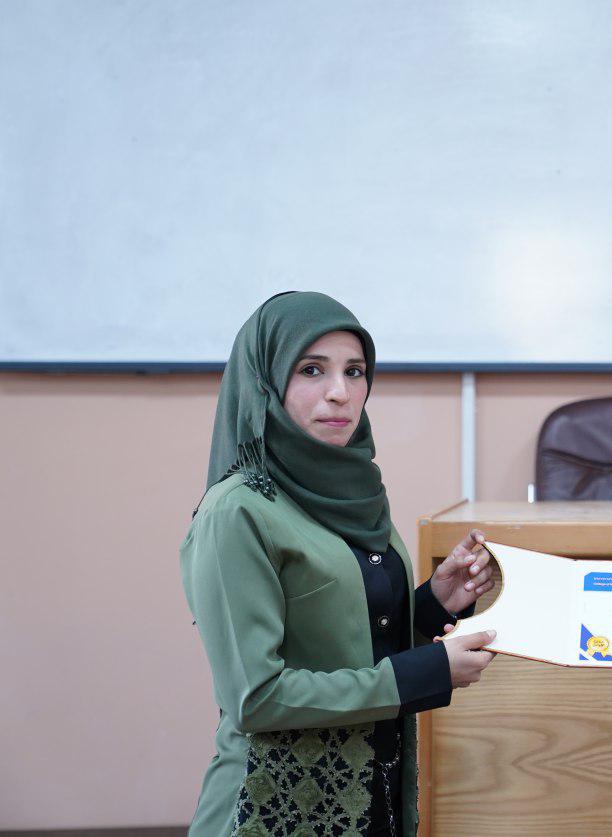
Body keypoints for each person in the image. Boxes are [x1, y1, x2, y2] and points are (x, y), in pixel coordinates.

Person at [181, 291, 497, 836]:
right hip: (273, 807)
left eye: (355, 371)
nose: (340, 392)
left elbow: (349, 637)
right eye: (311, 370)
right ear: (265, 381)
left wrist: (431, 605)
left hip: (373, 795)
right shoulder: (237, 512)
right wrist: (424, 674)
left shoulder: (354, 491)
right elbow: (256, 698)